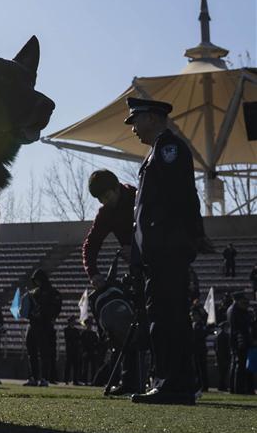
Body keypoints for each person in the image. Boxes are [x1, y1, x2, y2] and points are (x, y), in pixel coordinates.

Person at [124, 97, 204, 406]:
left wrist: (192, 235)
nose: (133, 128)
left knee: (167, 316)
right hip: (159, 249)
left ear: (154, 118)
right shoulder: (156, 153)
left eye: (136, 120)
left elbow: (182, 197)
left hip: (167, 248)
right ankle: (173, 381)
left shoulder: (169, 150)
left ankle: (172, 383)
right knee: (164, 315)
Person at [84, 169, 141, 395]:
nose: (103, 203)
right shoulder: (106, 213)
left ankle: (163, 378)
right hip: (136, 270)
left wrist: (136, 249)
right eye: (99, 200)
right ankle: (129, 382)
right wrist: (93, 273)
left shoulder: (139, 198)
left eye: (106, 197)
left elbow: (156, 232)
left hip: (158, 263)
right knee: (127, 327)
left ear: (117, 188)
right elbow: (91, 244)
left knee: (156, 324)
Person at [22, 268, 62, 387]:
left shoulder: (53, 293)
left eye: (38, 280)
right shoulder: (32, 293)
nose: (37, 282)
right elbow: (26, 310)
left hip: (45, 326)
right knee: (31, 353)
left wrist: (44, 312)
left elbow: (56, 309)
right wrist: (30, 314)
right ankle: (33, 377)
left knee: (45, 354)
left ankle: (44, 378)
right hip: (33, 325)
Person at [227, 292, 254, 395]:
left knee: (235, 365)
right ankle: (239, 389)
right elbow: (242, 327)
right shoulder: (237, 311)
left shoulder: (231, 309)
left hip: (235, 340)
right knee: (240, 366)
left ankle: (234, 388)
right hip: (239, 341)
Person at [63, 317, 81, 385]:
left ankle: (75, 380)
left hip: (75, 350)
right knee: (68, 365)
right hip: (70, 350)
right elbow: (69, 339)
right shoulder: (66, 329)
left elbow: (78, 339)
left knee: (76, 366)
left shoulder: (76, 330)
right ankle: (66, 380)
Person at [213, 321, 230, 392]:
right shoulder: (225, 336)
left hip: (219, 356)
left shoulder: (218, 336)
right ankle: (222, 386)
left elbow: (215, 347)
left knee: (221, 372)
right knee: (223, 372)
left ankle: (221, 386)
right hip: (224, 356)